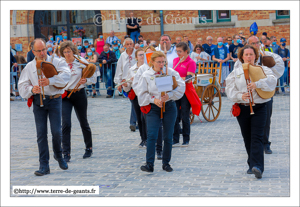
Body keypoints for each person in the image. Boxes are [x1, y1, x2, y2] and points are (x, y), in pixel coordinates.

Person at [18, 38, 71, 176]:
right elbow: (22, 85)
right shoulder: (29, 66)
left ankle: (59, 155)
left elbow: (67, 75)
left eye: (44, 49)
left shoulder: (56, 61)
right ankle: (44, 165)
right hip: (38, 101)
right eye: (39, 51)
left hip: (54, 100)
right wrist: (31, 89)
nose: (42, 53)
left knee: (57, 132)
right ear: (33, 51)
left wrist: (50, 80)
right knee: (41, 134)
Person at [225, 45, 277, 179]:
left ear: (256, 56)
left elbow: (272, 80)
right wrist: (240, 96)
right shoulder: (236, 71)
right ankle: (251, 164)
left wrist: (257, 84)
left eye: (251, 54)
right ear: (242, 57)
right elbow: (229, 89)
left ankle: (258, 166)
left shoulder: (263, 69)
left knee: (257, 137)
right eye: (246, 55)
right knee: (247, 137)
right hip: (242, 108)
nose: (249, 57)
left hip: (259, 107)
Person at [235, 35, 284, 155]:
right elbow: (236, 74)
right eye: (253, 43)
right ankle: (254, 144)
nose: (256, 45)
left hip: (265, 91)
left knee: (266, 119)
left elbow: (279, 67)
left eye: (257, 43)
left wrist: (267, 69)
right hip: (249, 93)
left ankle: (266, 143)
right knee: (250, 121)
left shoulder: (267, 55)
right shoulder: (243, 58)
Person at [137, 51, 185, 172]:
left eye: (163, 62)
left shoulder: (171, 72)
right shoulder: (146, 75)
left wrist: (169, 96)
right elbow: (142, 93)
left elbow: (180, 86)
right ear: (152, 62)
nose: (161, 64)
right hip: (153, 108)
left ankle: (166, 163)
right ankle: (149, 164)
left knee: (168, 136)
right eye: (159, 62)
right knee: (152, 134)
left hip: (169, 106)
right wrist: (154, 100)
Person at [60, 41, 96, 162]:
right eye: (64, 52)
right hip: (66, 95)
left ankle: (88, 147)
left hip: (79, 94)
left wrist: (85, 80)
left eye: (68, 51)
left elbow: (93, 74)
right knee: (66, 124)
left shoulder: (80, 61)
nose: (67, 54)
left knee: (83, 122)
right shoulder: (60, 63)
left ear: (73, 51)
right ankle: (66, 152)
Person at [172, 42, 196, 147]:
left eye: (180, 51)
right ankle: (175, 138)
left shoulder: (191, 62)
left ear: (186, 51)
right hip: (176, 90)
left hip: (186, 92)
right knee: (175, 115)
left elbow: (188, 78)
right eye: (177, 51)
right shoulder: (175, 60)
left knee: (185, 116)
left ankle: (186, 139)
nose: (178, 54)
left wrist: (177, 79)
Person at [122, 48, 148, 148]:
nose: (142, 56)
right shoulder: (132, 69)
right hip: (136, 95)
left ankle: (148, 137)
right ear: (136, 57)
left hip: (145, 94)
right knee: (139, 118)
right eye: (140, 55)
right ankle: (143, 139)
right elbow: (128, 85)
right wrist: (125, 83)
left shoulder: (148, 68)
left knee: (145, 117)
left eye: (143, 54)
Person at [114, 38, 137, 130]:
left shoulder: (137, 53)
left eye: (131, 44)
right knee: (134, 101)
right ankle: (135, 122)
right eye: (127, 44)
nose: (129, 46)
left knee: (135, 101)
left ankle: (133, 122)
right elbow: (119, 69)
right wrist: (119, 83)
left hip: (137, 81)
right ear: (124, 46)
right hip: (126, 83)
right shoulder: (122, 56)